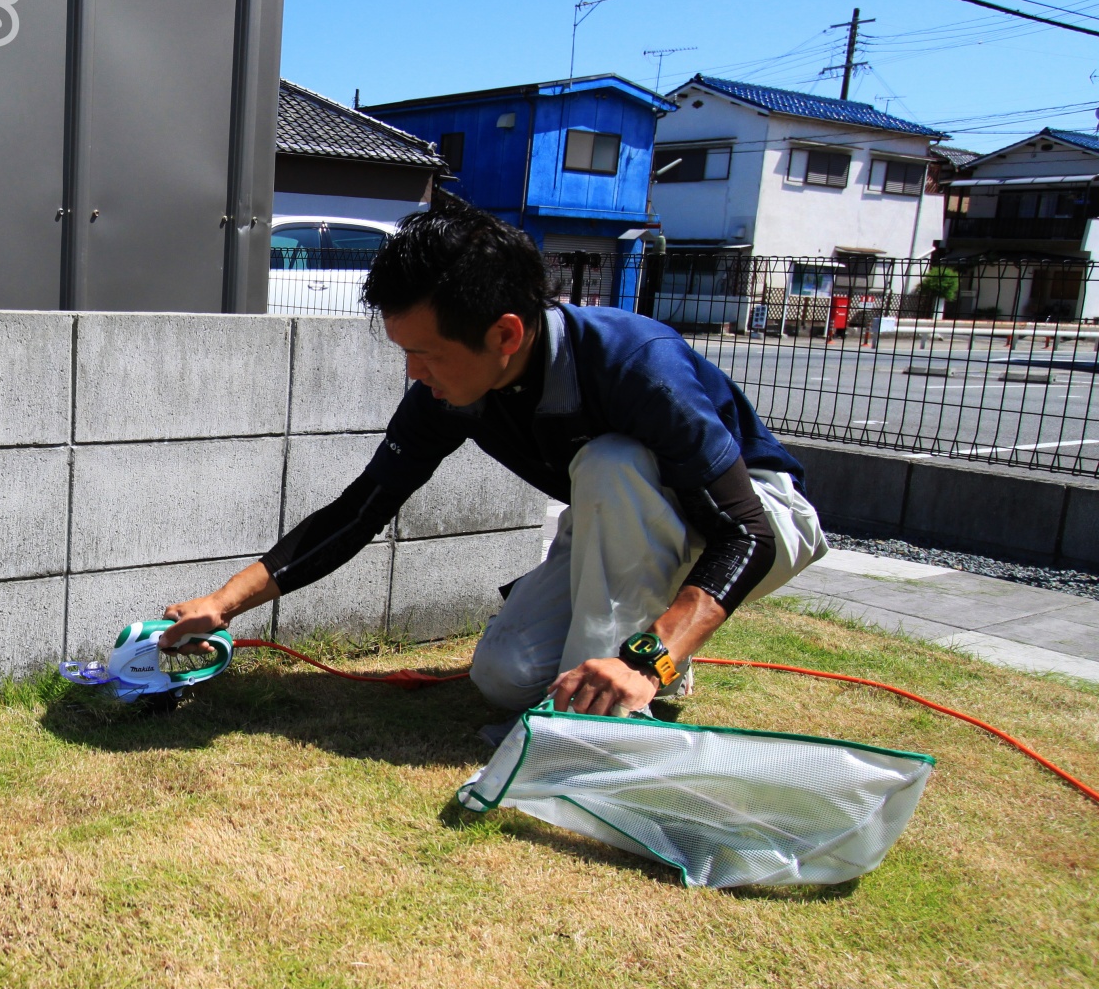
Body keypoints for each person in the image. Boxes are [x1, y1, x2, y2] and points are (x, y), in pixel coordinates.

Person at [161, 201, 826, 719]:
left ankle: (602, 722)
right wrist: (223, 603)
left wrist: (648, 660)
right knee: (504, 675)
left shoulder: (636, 367)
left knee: (611, 462)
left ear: (505, 333)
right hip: (621, 529)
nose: (415, 374)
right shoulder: (452, 392)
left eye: (427, 354)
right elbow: (363, 507)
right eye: (403, 354)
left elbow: (748, 533)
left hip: (760, 518)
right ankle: (628, 664)